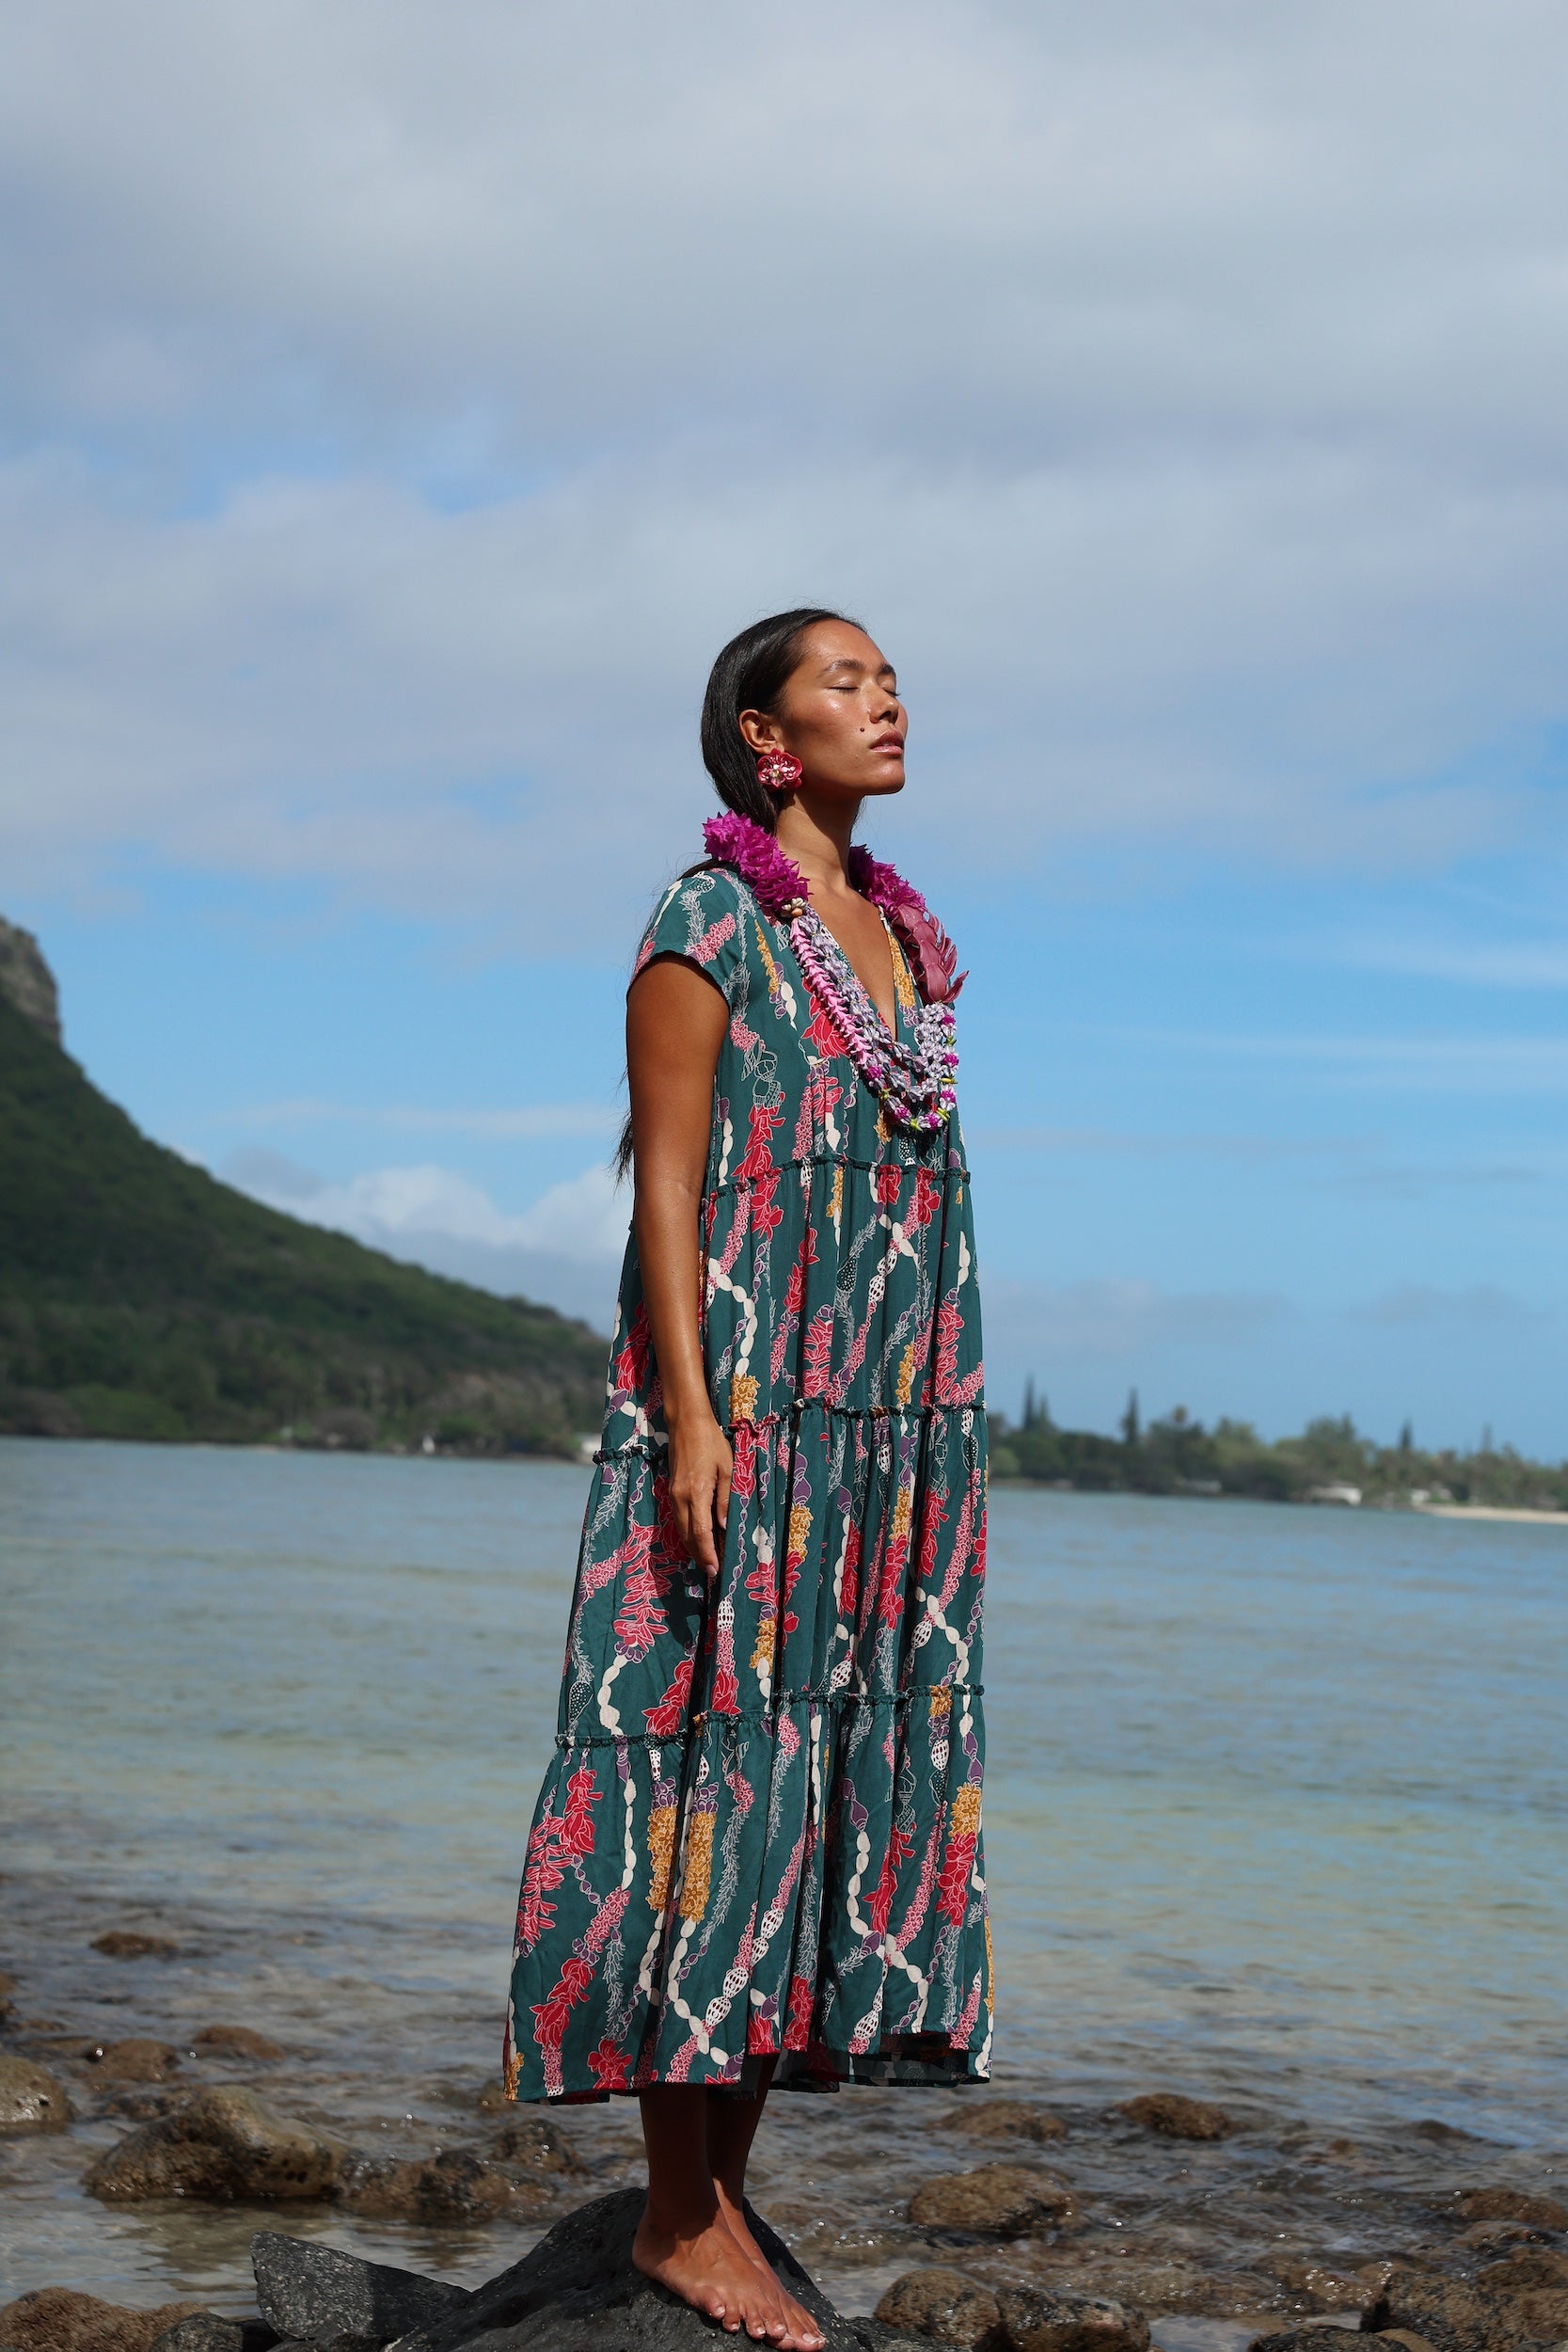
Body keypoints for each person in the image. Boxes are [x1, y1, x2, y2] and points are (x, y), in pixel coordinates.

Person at [503, 610, 991, 2347]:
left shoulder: (909, 943)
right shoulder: (706, 918)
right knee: (711, 1760)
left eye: (890, 677)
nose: (889, 699)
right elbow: (669, 1187)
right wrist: (696, 1418)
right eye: (848, 681)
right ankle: (675, 2217)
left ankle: (718, 2206)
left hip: (890, 1416)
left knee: (816, 1781)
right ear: (763, 738)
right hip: (744, 1404)